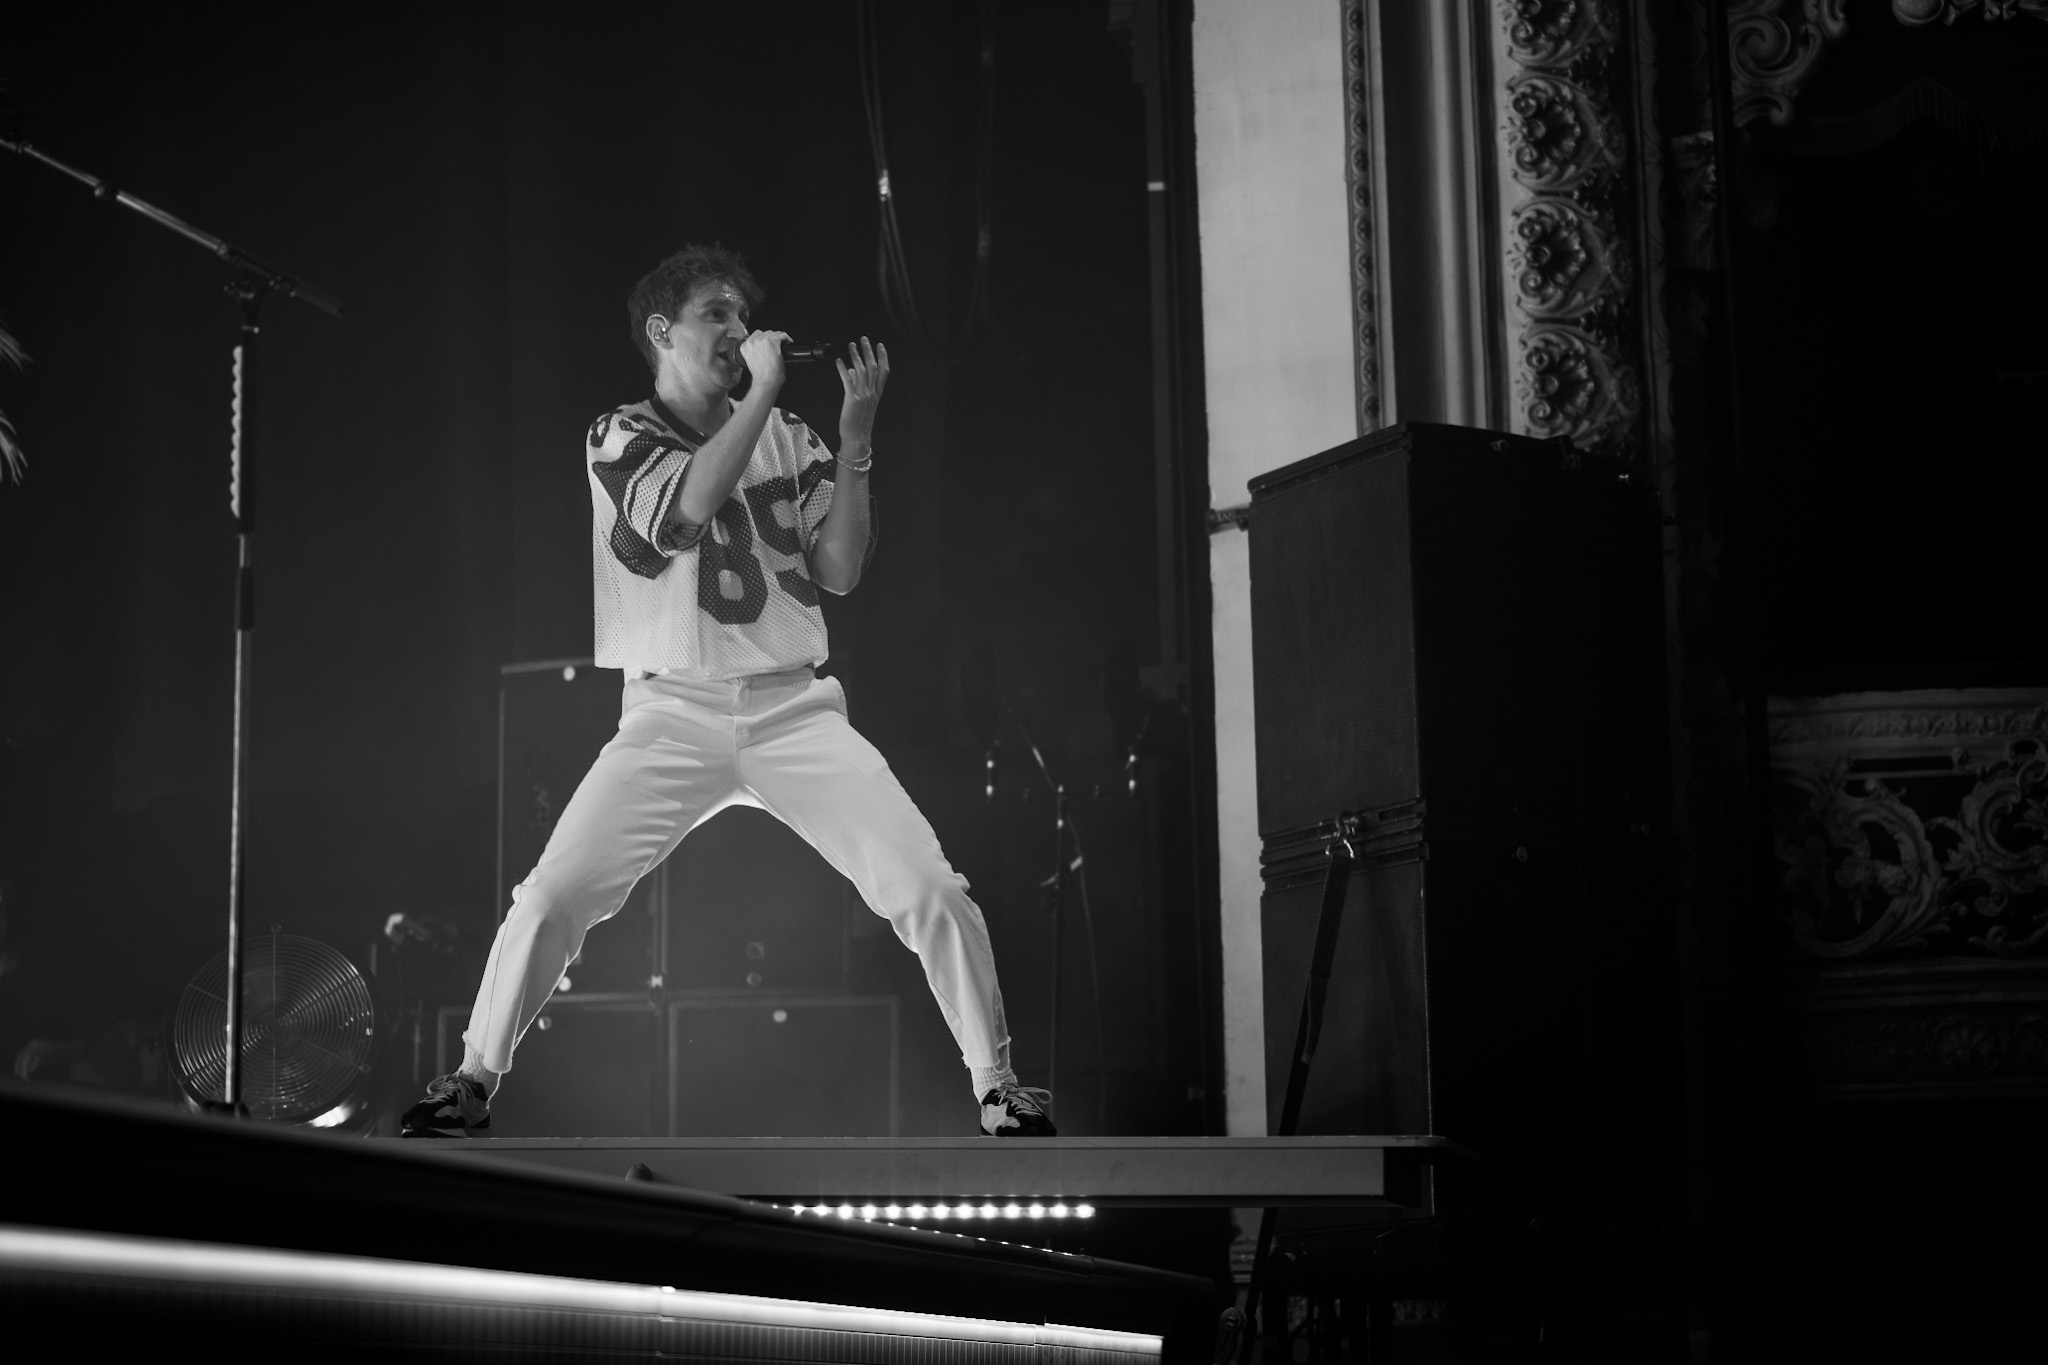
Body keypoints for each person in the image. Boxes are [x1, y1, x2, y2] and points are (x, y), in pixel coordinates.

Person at [399, 245, 1051, 1139]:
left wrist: (856, 441)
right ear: (661, 331)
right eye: (717, 313)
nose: (740, 330)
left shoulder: (787, 432)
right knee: (552, 897)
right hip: (672, 712)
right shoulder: (618, 434)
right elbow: (683, 514)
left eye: (744, 315)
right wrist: (762, 395)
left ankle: (997, 1083)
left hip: (793, 708)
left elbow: (840, 570)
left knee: (930, 885)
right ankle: (474, 1076)